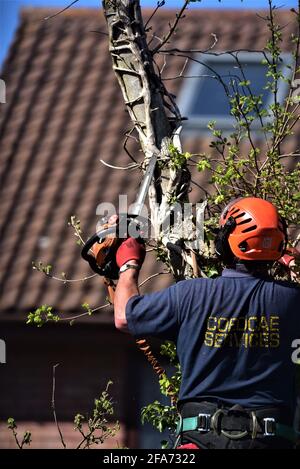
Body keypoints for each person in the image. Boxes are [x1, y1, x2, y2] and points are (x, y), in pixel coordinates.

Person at [113, 197, 300, 449]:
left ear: (225, 240)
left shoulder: (190, 294)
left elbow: (124, 316)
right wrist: (294, 263)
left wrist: (129, 263)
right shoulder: (292, 299)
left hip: (199, 440)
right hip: (270, 441)